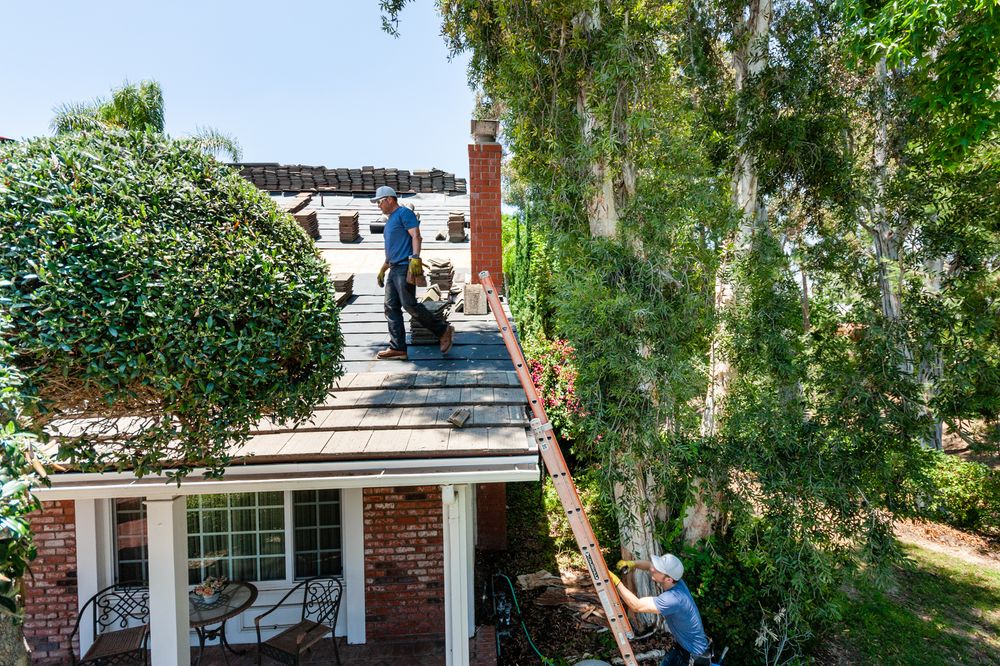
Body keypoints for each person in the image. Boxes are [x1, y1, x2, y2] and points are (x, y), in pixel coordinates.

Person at [371, 186, 454, 360]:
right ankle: (398, 348)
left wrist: (415, 257)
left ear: (389, 199)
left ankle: (443, 330)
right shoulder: (389, 222)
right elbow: (393, 251)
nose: (378, 205)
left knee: (409, 304)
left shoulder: (404, 213)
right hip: (393, 269)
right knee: (390, 307)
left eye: (379, 201)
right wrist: (382, 269)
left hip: (404, 268)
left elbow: (416, 235)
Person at [610, 553, 710, 666]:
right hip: (681, 649)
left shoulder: (673, 599)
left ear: (668, 579)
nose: (653, 568)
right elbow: (649, 566)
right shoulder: (676, 581)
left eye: (658, 569)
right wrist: (632, 564)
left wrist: (615, 582)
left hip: (692, 659)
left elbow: (637, 605)